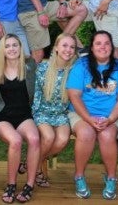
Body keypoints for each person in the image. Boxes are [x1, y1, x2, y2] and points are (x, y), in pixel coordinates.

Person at [66, 30, 118, 200]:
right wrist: (88, 119)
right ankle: (79, 177)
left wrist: (110, 119)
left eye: (106, 43)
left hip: (111, 116)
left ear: (111, 46)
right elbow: (74, 95)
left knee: (108, 135)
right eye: (98, 43)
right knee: (86, 133)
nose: (103, 47)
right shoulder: (81, 65)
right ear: (92, 47)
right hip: (81, 114)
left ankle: (111, 178)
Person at [0, 34, 40, 203]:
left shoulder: (29, 65)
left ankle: (29, 185)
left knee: (34, 139)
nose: (11, 49)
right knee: (16, 141)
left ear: (20, 47)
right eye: (7, 46)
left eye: (15, 45)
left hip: (24, 114)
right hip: (2, 115)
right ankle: (11, 184)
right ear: (2, 49)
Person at [32, 33, 77, 187]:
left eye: (72, 47)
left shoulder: (74, 71)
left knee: (63, 140)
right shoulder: (43, 67)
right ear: (56, 48)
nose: (68, 50)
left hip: (61, 114)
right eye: (64, 45)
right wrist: (34, 115)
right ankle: (37, 168)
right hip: (42, 112)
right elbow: (36, 94)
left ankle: (34, 160)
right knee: (49, 137)